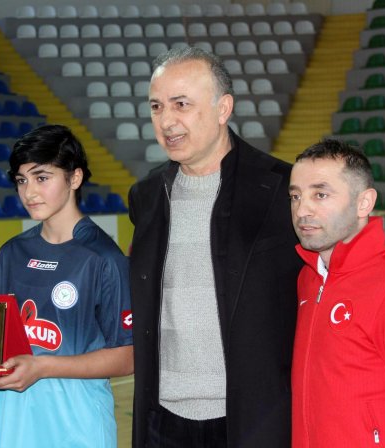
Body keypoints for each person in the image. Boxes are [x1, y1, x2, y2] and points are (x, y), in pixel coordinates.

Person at [128, 46, 302, 447]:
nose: (166, 121)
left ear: (223, 108)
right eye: (156, 106)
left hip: (252, 420)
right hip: (163, 420)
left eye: (181, 104)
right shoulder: (146, 196)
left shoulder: (283, 190)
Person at [0, 124, 133, 447]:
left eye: (42, 178)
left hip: (78, 427)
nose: (29, 193)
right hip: (16, 424)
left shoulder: (104, 259)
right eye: (21, 180)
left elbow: (127, 357)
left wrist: (42, 366)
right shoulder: (10, 254)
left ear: (75, 178)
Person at [289, 139, 385, 447]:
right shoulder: (307, 279)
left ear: (364, 203)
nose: (302, 210)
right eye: (295, 196)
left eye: (320, 194)